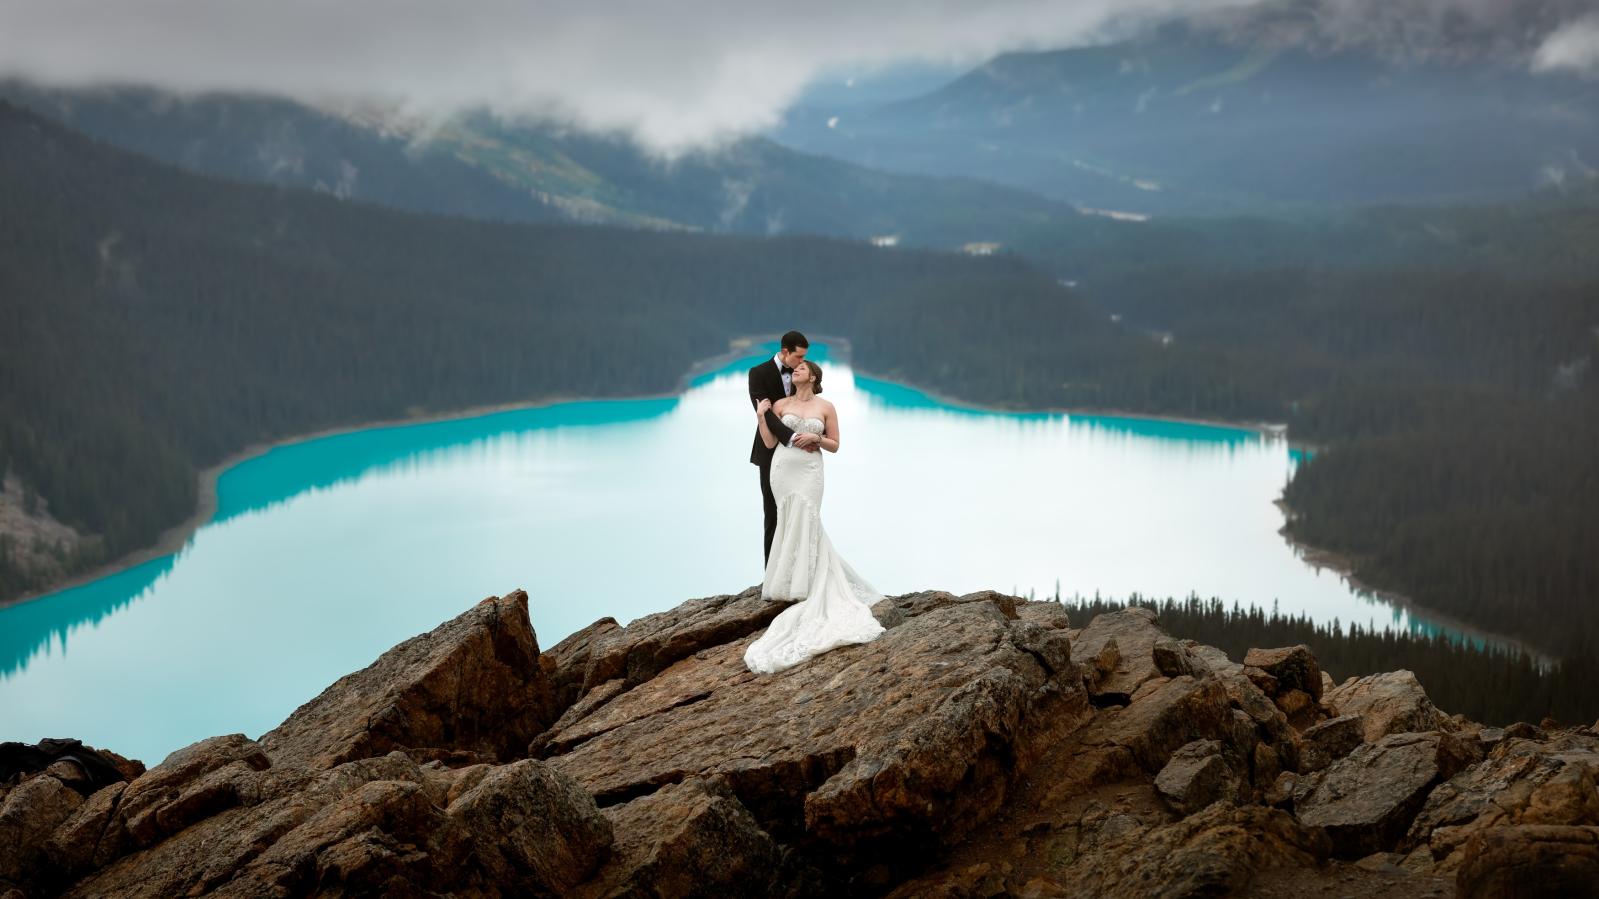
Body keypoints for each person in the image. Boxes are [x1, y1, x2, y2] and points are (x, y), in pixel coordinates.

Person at [744, 357, 884, 674]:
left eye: (802, 368)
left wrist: (816, 438)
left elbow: (835, 444)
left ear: (813, 376)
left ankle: (807, 580)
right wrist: (761, 416)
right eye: (794, 369)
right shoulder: (780, 404)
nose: (795, 371)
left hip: (810, 470)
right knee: (787, 519)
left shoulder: (826, 407)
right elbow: (768, 441)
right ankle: (785, 579)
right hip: (782, 469)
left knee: (808, 518)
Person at [748, 331, 821, 564]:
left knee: (801, 512)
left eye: (805, 358)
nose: (802, 362)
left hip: (803, 458)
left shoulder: (802, 374)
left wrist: (814, 436)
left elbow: (811, 408)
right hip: (770, 450)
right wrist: (794, 437)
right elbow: (766, 414)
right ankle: (771, 573)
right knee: (772, 512)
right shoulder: (758, 373)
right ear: (785, 351)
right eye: (799, 357)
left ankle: (801, 567)